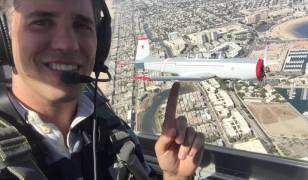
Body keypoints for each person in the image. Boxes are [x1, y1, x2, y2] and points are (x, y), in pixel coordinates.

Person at [0, 0, 204, 179]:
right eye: (41, 23)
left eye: (81, 25)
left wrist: (175, 176)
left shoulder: (113, 130)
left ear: (102, 40)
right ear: (4, 39)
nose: (67, 44)